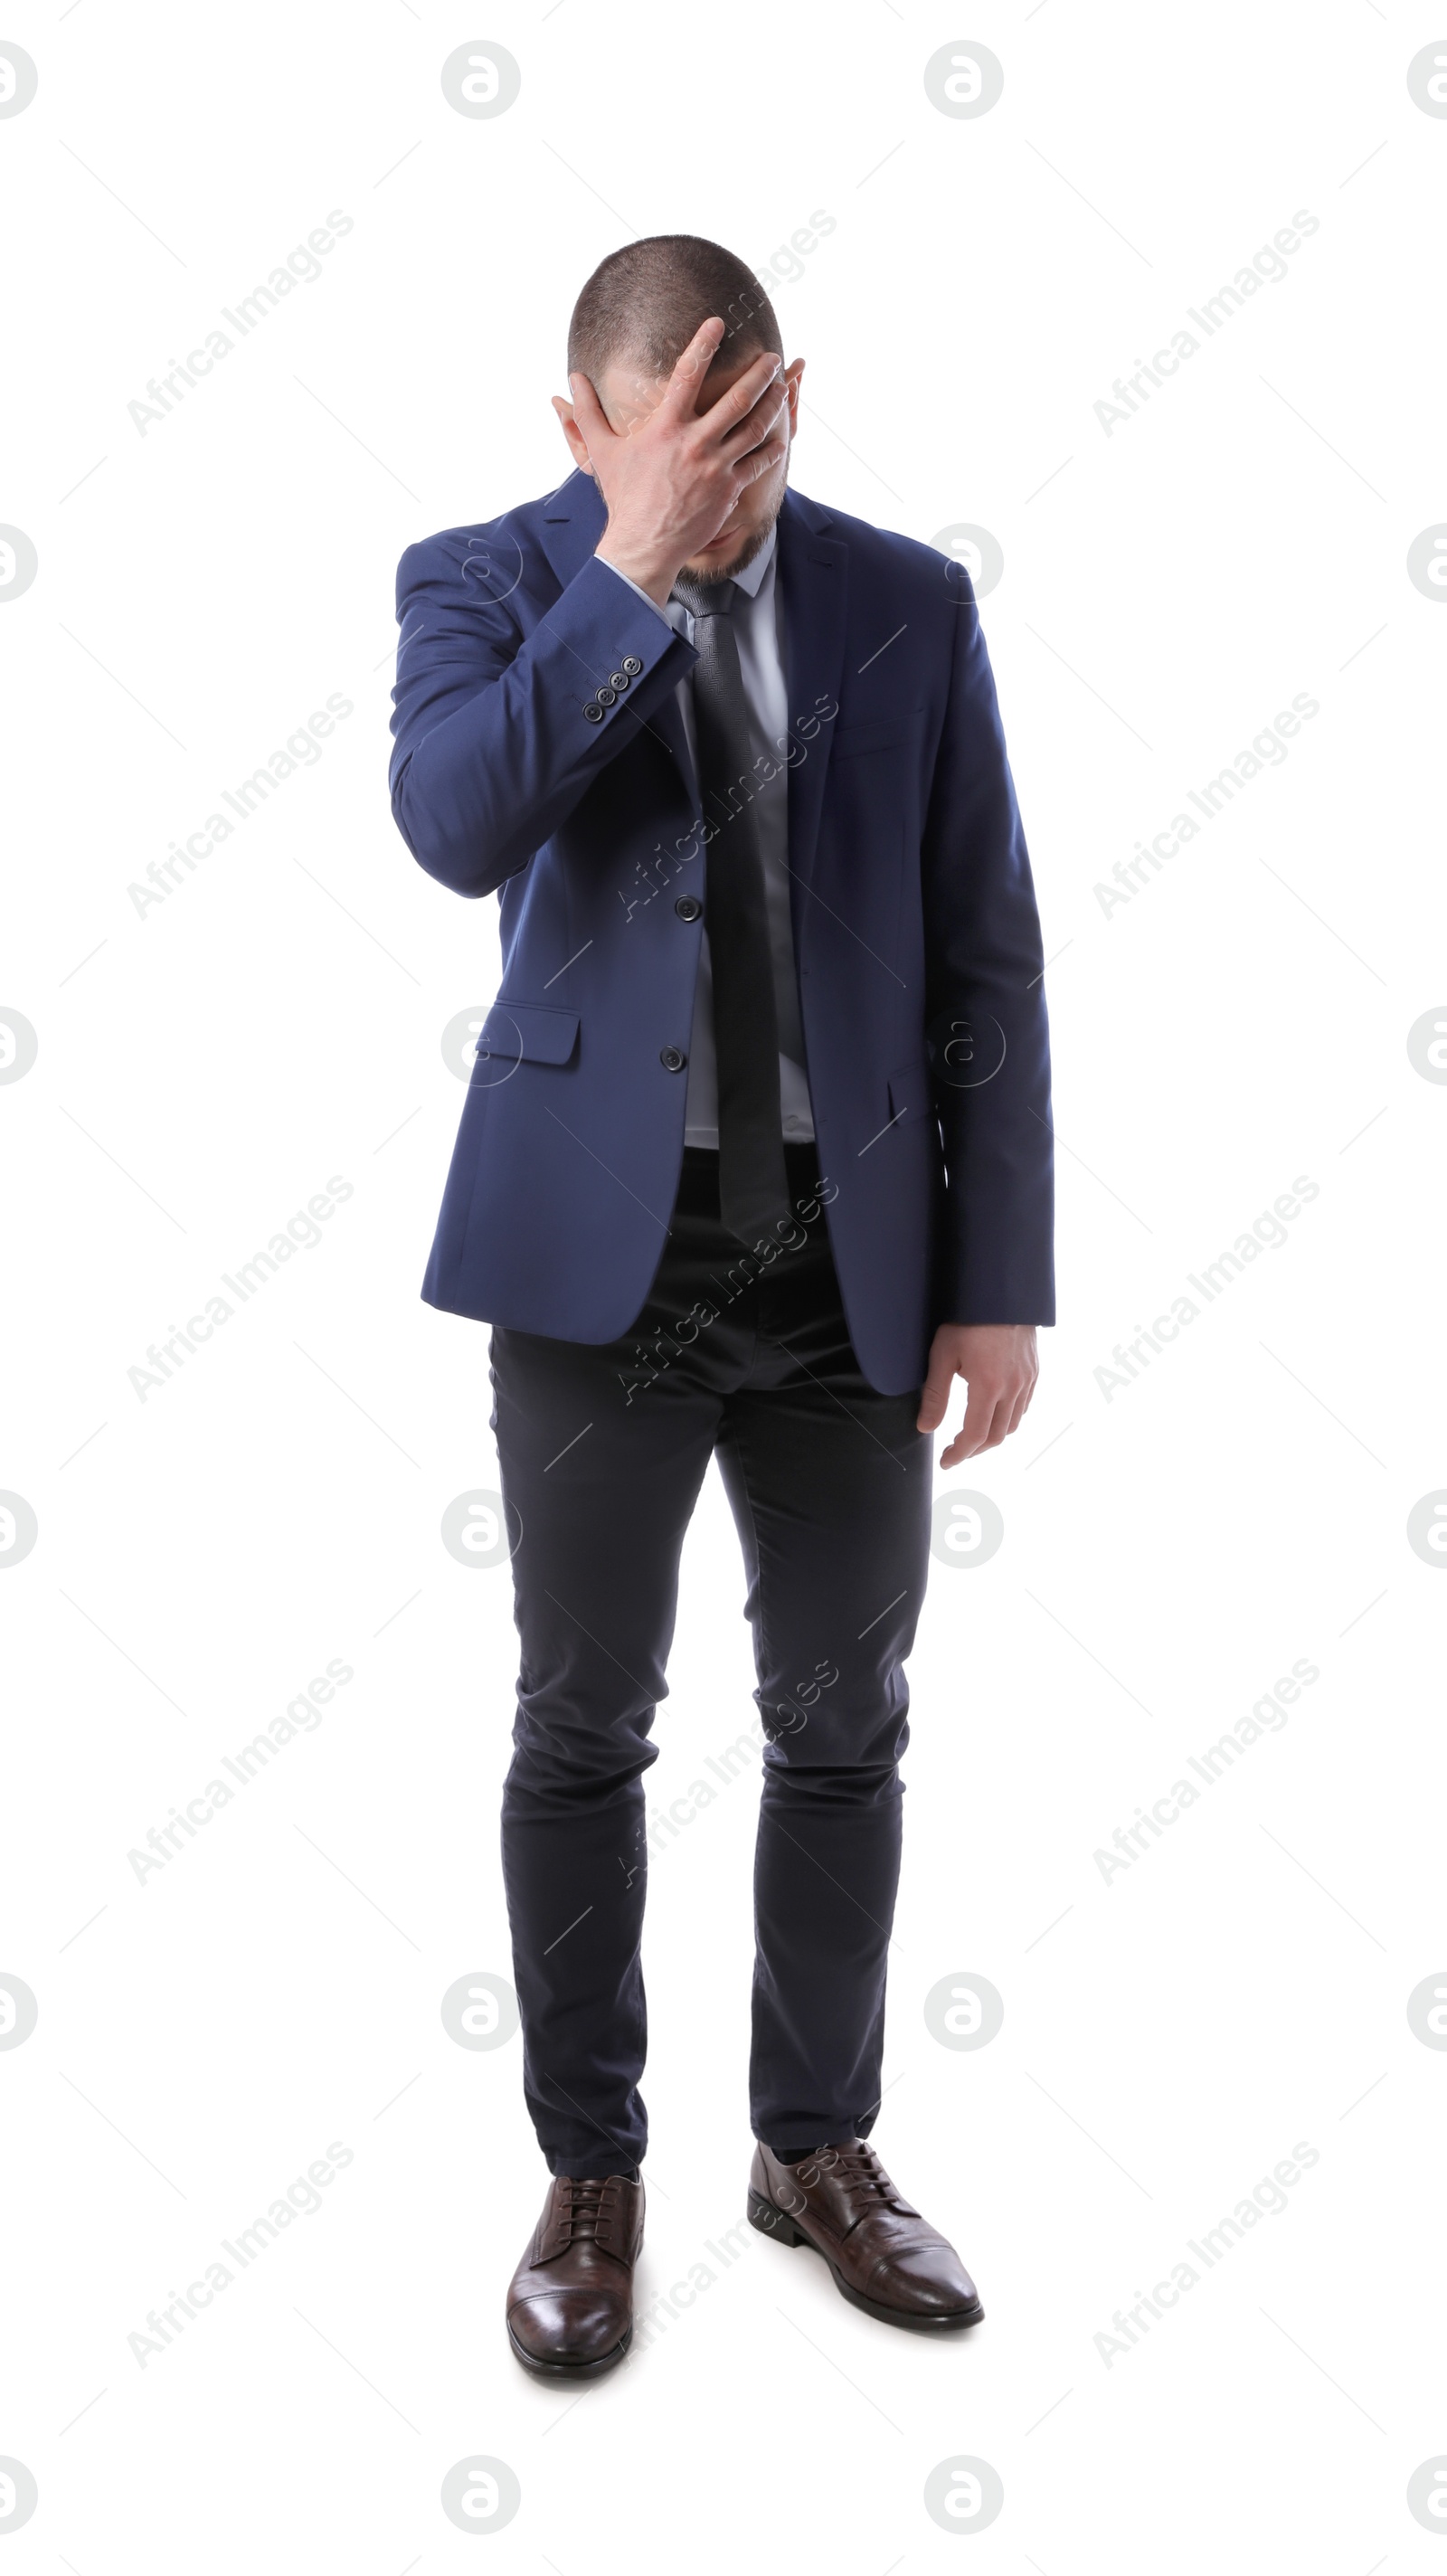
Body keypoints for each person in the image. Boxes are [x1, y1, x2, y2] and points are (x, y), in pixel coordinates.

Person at [389, 233, 1054, 2377]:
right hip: (594, 1272)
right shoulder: (485, 581)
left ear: (792, 392)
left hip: (846, 1261)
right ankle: (592, 2169)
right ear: (579, 427)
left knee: (841, 1722)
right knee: (581, 1725)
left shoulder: (905, 604)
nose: (728, 474)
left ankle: (814, 2145)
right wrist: (637, 569)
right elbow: (456, 818)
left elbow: (986, 960)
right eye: (677, 437)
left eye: (752, 428)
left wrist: (997, 1281)